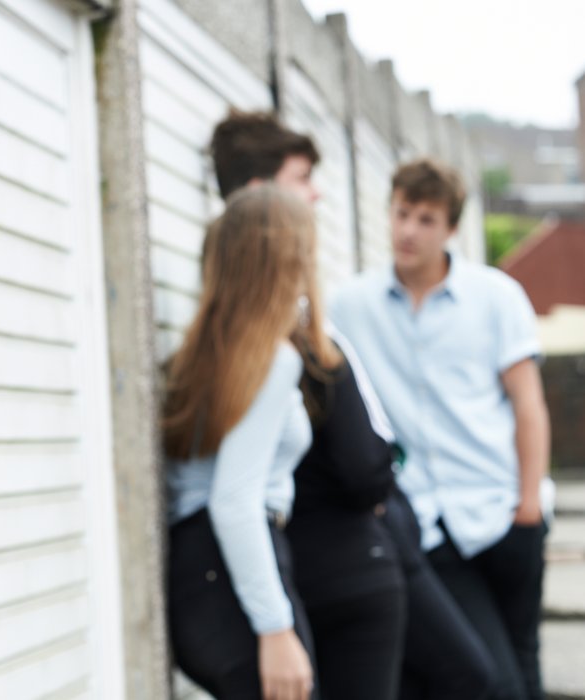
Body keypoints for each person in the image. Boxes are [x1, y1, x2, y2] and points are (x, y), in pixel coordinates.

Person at [209, 110, 490, 700]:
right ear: (261, 194)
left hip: (380, 536)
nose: (316, 194)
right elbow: (240, 492)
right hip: (347, 549)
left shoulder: (297, 314)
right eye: (302, 178)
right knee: (470, 679)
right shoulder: (270, 336)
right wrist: (276, 626)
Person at [332, 158, 552, 700]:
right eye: (401, 213)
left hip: (504, 512)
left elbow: (528, 403)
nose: (408, 230)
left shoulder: (495, 296)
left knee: (523, 664)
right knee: (490, 677)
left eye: (426, 219)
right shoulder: (349, 306)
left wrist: (528, 506)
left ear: (451, 228)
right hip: (429, 525)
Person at [163, 184, 337, 700]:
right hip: (233, 574)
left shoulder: (202, 355)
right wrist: (275, 628)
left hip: (202, 575)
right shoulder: (271, 360)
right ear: (285, 261)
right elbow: (234, 501)